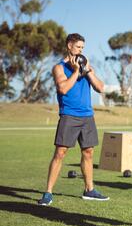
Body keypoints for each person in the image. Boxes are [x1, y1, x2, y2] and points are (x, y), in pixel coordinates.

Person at [38, 33, 109, 206]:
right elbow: (63, 89)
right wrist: (77, 71)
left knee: (88, 152)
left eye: (83, 48)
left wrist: (88, 71)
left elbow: (100, 88)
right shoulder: (59, 67)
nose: (81, 50)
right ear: (69, 46)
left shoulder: (85, 67)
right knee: (60, 153)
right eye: (78, 47)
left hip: (87, 116)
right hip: (69, 115)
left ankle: (89, 190)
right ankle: (48, 193)